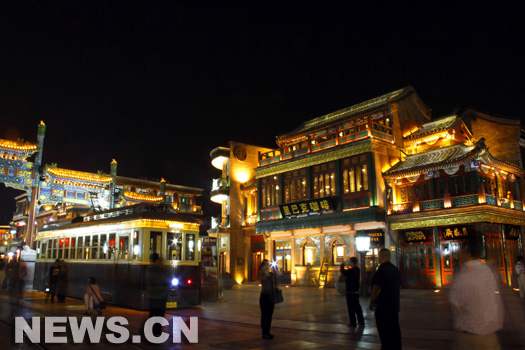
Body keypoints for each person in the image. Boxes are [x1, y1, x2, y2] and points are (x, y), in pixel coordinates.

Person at [449, 244, 504, 349]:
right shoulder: (490, 272)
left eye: (461, 252)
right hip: (490, 336)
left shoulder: (463, 277)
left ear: (467, 253)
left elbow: (455, 307)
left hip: (469, 338)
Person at [369, 248, 402, 350]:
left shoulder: (382, 269)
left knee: (384, 329)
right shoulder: (395, 269)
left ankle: (386, 346)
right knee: (394, 327)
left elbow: (377, 287)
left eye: (379, 256)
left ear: (382, 257)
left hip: (383, 305)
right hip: (394, 304)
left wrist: (372, 301)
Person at [145, 253, 169, 337]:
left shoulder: (148, 269)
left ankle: (149, 330)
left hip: (152, 295)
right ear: (157, 260)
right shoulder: (159, 270)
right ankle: (156, 332)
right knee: (159, 315)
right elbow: (165, 280)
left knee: (152, 313)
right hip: (160, 296)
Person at [340, 257, 365, 327]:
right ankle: (361, 321)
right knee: (357, 307)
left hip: (350, 291)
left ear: (352, 262)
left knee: (351, 308)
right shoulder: (357, 269)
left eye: (350, 262)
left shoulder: (352, 271)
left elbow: (344, 272)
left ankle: (353, 322)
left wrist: (342, 266)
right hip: (355, 291)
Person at [258, 259, 276, 339]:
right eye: (267, 265)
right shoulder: (262, 274)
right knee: (264, 315)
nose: (268, 266)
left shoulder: (271, 274)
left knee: (269, 315)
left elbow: (274, 282)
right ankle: (264, 332)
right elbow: (263, 278)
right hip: (265, 296)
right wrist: (266, 272)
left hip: (271, 296)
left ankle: (267, 331)